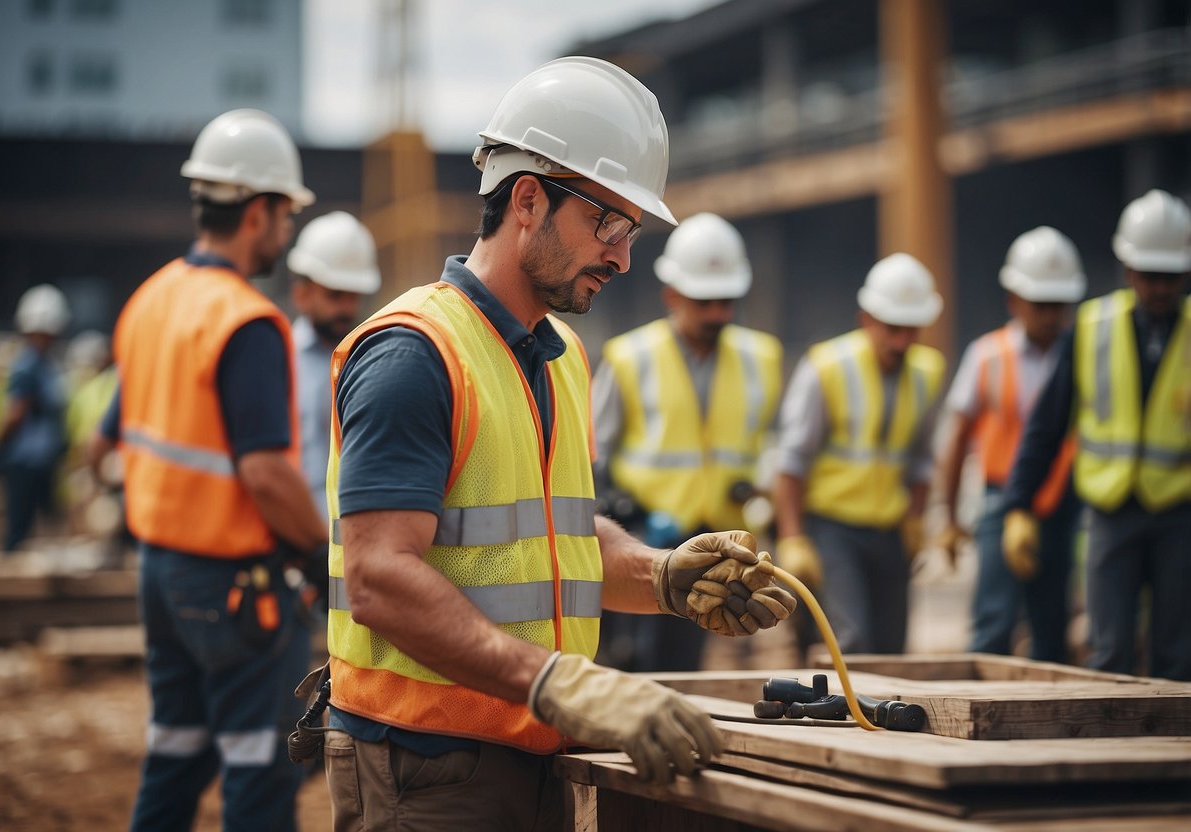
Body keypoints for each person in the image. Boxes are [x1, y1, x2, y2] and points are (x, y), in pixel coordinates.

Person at [318, 57, 796, 831]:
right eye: (606, 223)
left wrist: (661, 575)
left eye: (629, 231)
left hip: (528, 750)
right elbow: (377, 576)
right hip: (423, 767)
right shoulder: (414, 352)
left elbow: (554, 538)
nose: (622, 255)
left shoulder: (557, 356)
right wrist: (556, 683)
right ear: (529, 199)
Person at [94, 108, 328, 831]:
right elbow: (264, 473)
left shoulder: (152, 297)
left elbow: (111, 438)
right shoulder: (247, 321)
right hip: (233, 584)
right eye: (285, 214)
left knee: (176, 751)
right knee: (258, 770)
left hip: (159, 572)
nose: (287, 233)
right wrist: (324, 559)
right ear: (257, 212)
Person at [1004, 189, 1191, 681]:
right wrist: (1018, 504)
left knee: (1178, 654)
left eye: (1169, 276)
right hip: (1111, 512)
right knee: (1109, 652)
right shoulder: (1091, 328)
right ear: (1128, 271)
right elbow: (1047, 426)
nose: (1160, 288)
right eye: (1149, 276)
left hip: (1180, 514)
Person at [591, 212, 784, 672]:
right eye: (704, 301)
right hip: (641, 535)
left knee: (685, 667)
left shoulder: (762, 359)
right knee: (634, 662)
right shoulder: (629, 357)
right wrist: (620, 508)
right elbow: (593, 452)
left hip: (720, 535)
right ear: (673, 294)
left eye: (726, 301)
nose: (717, 313)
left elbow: (769, 445)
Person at [773, 253, 945, 654]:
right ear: (866, 318)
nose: (901, 341)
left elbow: (921, 459)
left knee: (891, 648)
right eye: (892, 328)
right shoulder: (826, 368)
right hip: (833, 529)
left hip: (890, 530)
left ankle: (882, 718)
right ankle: (847, 716)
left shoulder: (927, 373)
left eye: (911, 329)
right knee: (850, 640)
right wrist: (794, 537)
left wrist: (916, 519)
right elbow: (792, 462)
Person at [937, 227, 1085, 662]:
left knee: (1053, 624)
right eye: (1041, 304)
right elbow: (957, 438)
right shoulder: (987, 355)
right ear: (1014, 300)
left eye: (1059, 304)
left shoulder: (1081, 354)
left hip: (1061, 500)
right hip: (1001, 499)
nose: (1051, 315)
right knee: (993, 621)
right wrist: (948, 517)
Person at [287, 211, 381, 520]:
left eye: (353, 297)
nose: (346, 308)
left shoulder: (373, 362)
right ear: (302, 294)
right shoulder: (281, 361)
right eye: (335, 295)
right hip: (293, 539)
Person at [0, 284, 70, 552]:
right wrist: (0, 445)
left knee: (44, 524)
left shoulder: (45, 365)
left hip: (41, 460)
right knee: (18, 527)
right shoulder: (28, 366)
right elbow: (16, 411)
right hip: (24, 460)